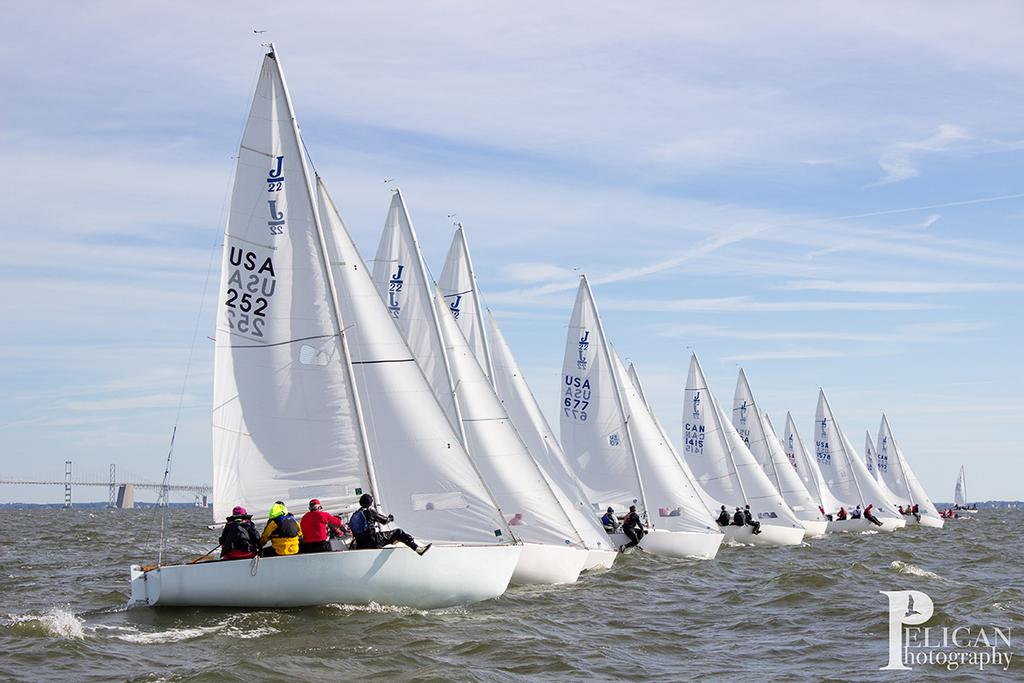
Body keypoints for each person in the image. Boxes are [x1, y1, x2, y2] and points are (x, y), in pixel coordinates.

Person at [349, 493, 431, 555]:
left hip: (360, 544)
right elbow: (384, 521)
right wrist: (390, 518)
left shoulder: (355, 514)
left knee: (387, 536)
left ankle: (396, 542)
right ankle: (417, 549)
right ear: (370, 503)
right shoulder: (370, 511)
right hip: (373, 541)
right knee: (398, 532)